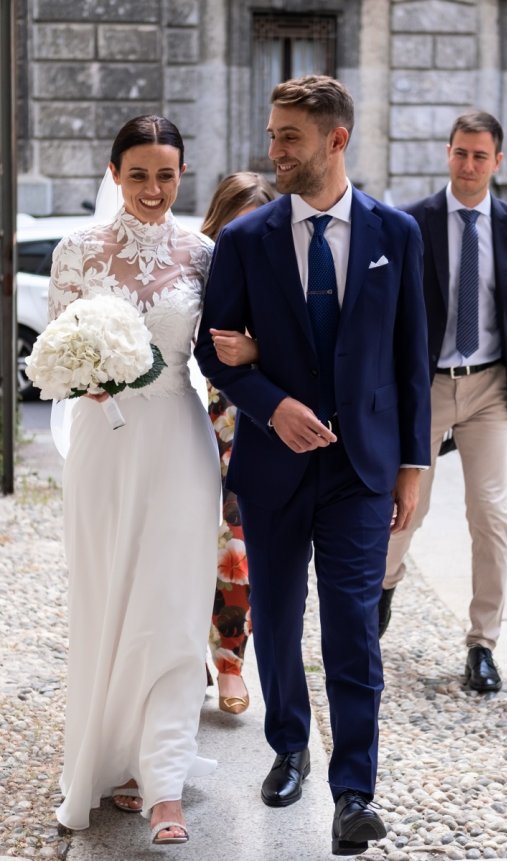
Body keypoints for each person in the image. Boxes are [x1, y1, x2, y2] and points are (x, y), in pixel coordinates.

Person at [196, 75, 431, 857]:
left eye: (288, 138)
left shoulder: (396, 234)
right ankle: (289, 744)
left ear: (336, 139)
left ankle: (354, 790)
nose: (273, 151)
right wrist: (272, 403)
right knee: (277, 613)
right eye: (271, 135)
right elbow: (213, 348)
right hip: (273, 467)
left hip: (362, 469)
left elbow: (410, 360)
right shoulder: (245, 240)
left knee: (353, 629)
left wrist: (412, 464)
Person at [50, 115, 221, 845]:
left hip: (179, 435)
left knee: (176, 602)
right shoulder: (75, 251)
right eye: (140, 173)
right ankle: (112, 753)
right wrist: (85, 374)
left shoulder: (203, 252)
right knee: (108, 596)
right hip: (104, 440)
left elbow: (220, 350)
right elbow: (56, 351)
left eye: (167, 174)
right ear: (114, 173)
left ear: (182, 176)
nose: (154, 188)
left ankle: (164, 781)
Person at [379, 111, 507, 694]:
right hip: (425, 386)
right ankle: (383, 590)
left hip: (488, 388)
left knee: (490, 514)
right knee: (408, 508)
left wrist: (488, 357)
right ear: (447, 154)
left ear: (498, 161)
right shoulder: (413, 222)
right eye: (460, 153)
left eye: (480, 156)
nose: (469, 165)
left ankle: (482, 644)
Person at [201, 172, 275, 715]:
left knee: (235, 548)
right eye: (235, 225)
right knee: (181, 546)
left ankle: (230, 664)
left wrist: (257, 350)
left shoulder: (281, 274)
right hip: (187, 420)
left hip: (246, 426)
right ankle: (184, 659)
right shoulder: (195, 265)